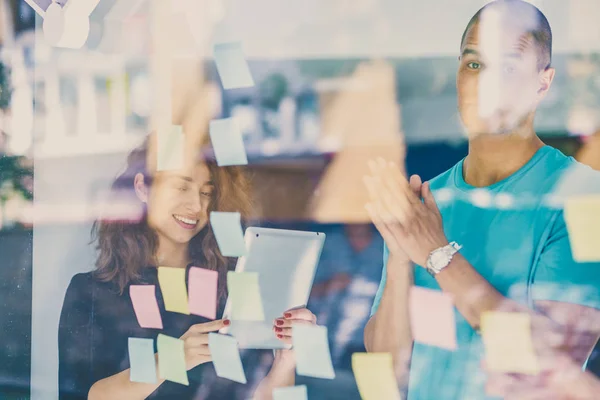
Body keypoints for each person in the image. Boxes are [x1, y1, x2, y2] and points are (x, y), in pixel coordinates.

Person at [363, 1, 600, 399]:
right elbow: (388, 370)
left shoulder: (585, 201)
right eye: (473, 64)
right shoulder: (427, 202)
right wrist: (402, 259)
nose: (483, 83)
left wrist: (437, 253)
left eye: (508, 67)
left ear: (544, 83)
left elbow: (552, 363)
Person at [58, 133, 317, 400]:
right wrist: (173, 359)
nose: (197, 205)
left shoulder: (231, 289)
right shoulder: (93, 291)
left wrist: (285, 360)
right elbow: (83, 395)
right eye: (182, 187)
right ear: (141, 187)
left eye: (206, 193)